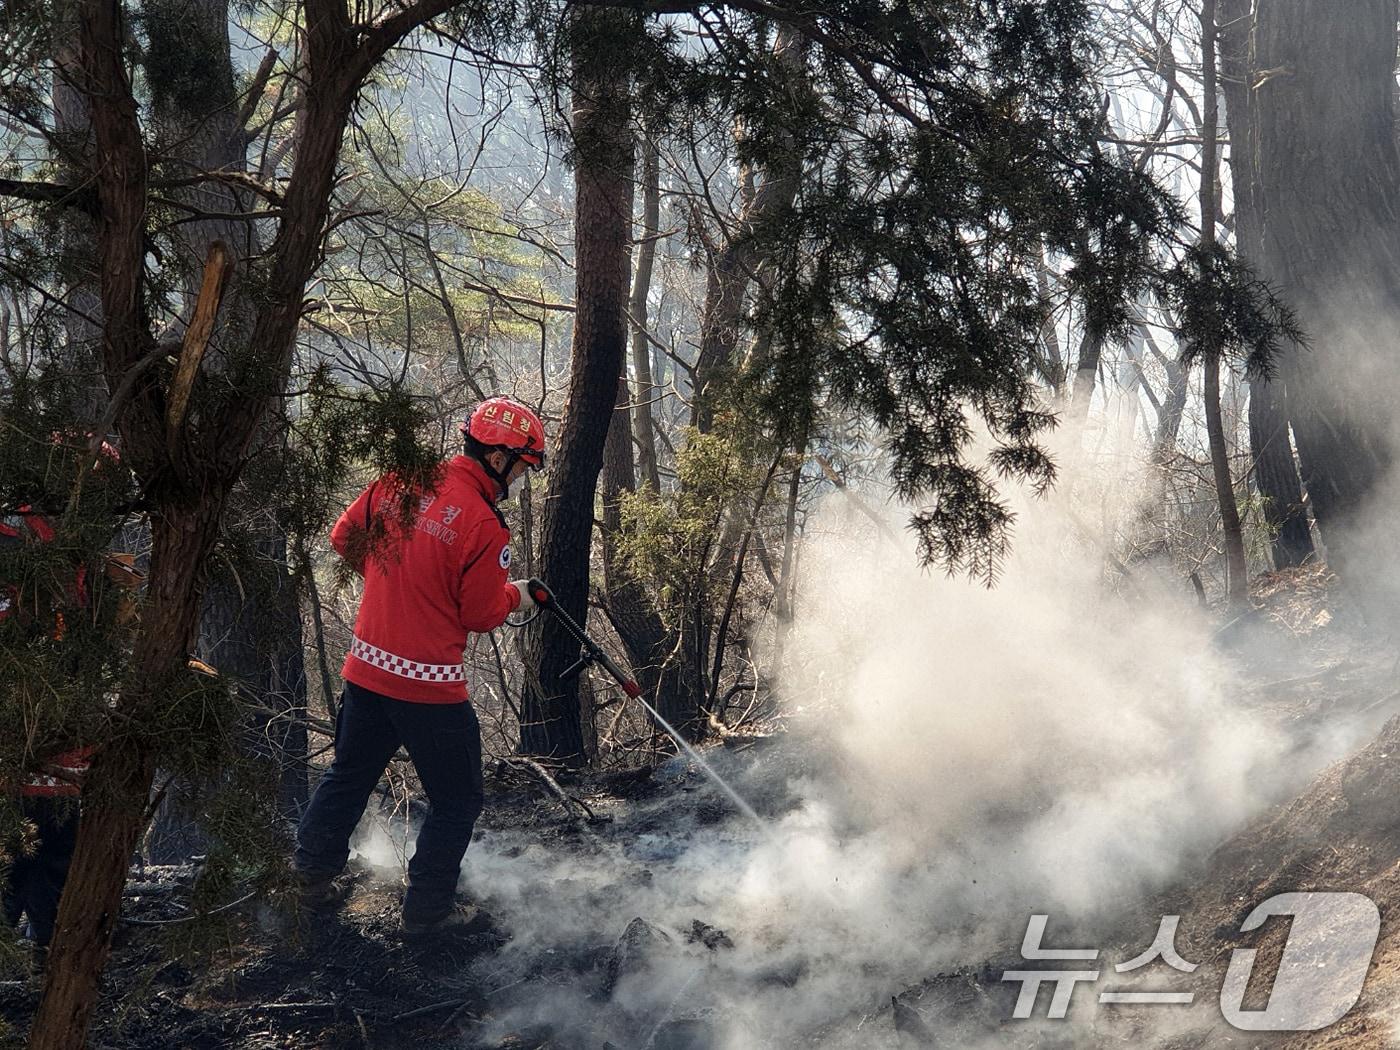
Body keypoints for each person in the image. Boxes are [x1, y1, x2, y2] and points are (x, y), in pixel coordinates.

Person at [294, 396, 546, 934]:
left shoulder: (399, 480)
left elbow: (343, 538)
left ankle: (310, 879)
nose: (522, 480)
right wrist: (518, 596)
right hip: (429, 689)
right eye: (523, 467)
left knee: (347, 775)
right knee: (458, 801)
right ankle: (428, 910)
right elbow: (479, 614)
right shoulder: (482, 523)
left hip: (365, 670)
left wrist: (395, 584)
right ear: (500, 459)